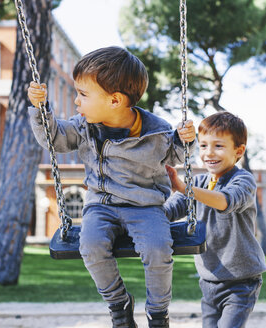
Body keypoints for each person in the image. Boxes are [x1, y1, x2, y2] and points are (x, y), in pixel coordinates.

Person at [27, 46, 196, 328]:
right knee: (90, 246)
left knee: (158, 248)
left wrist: (184, 140)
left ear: (115, 100)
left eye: (83, 94)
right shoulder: (84, 127)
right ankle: (119, 304)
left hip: (145, 207)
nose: (76, 101)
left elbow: (177, 156)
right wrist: (41, 108)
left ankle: (157, 312)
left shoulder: (156, 131)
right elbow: (54, 138)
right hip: (101, 205)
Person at [164, 111, 266, 328]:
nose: (209, 153)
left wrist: (185, 188)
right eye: (203, 146)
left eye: (218, 146)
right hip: (209, 282)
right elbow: (169, 211)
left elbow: (225, 202)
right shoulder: (199, 183)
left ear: (238, 151)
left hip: (241, 283)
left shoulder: (243, 180)